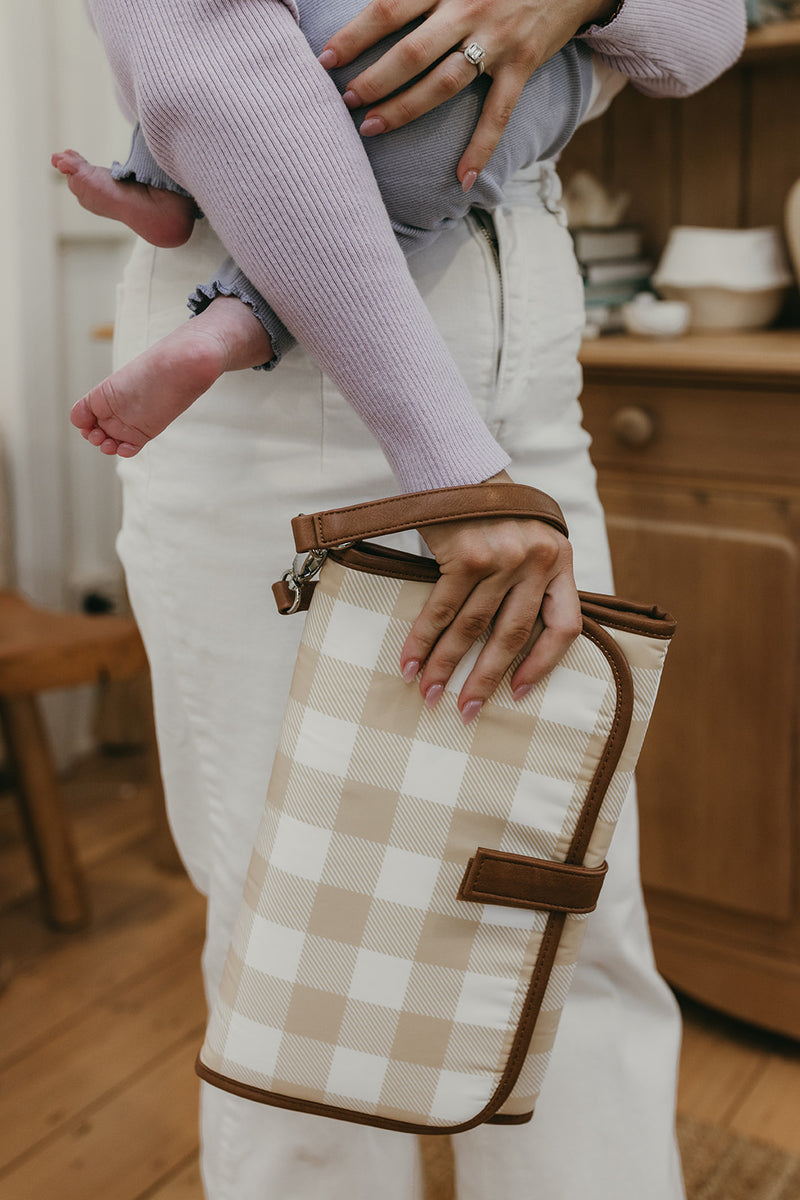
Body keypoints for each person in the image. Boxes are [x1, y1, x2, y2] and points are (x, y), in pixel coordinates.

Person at [83, 0, 747, 1197]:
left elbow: (703, 34)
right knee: (314, 971)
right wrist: (449, 469)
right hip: (289, 404)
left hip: (529, 379)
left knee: (568, 928)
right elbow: (206, 69)